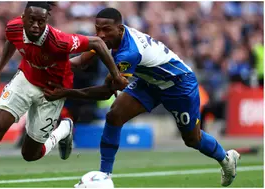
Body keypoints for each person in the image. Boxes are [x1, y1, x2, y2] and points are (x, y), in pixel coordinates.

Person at [43, 8, 240, 187]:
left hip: (178, 84)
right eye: (97, 29)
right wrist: (53, 66)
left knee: (192, 139)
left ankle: (226, 158)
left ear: (120, 29)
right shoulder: (110, 37)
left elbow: (105, 91)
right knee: (114, 115)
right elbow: (82, 61)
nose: (101, 34)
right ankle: (104, 176)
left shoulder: (129, 53)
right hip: (150, 82)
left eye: (106, 30)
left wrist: (66, 92)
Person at [0, 3, 128, 188]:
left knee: (30, 155)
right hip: (26, 79)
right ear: (23, 18)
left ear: (47, 20)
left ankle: (63, 129)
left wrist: (116, 76)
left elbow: (97, 43)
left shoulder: (59, 40)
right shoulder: (14, 26)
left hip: (52, 91)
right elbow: (11, 40)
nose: (36, 25)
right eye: (32, 20)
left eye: (41, 21)